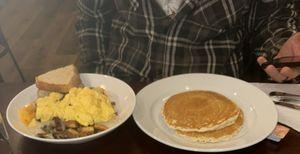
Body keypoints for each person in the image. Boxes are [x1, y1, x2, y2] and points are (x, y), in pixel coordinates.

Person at [76, 0, 300, 82]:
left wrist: (281, 47)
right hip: (125, 89)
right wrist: (97, 74)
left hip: (216, 93)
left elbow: (270, 19)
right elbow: (92, 17)